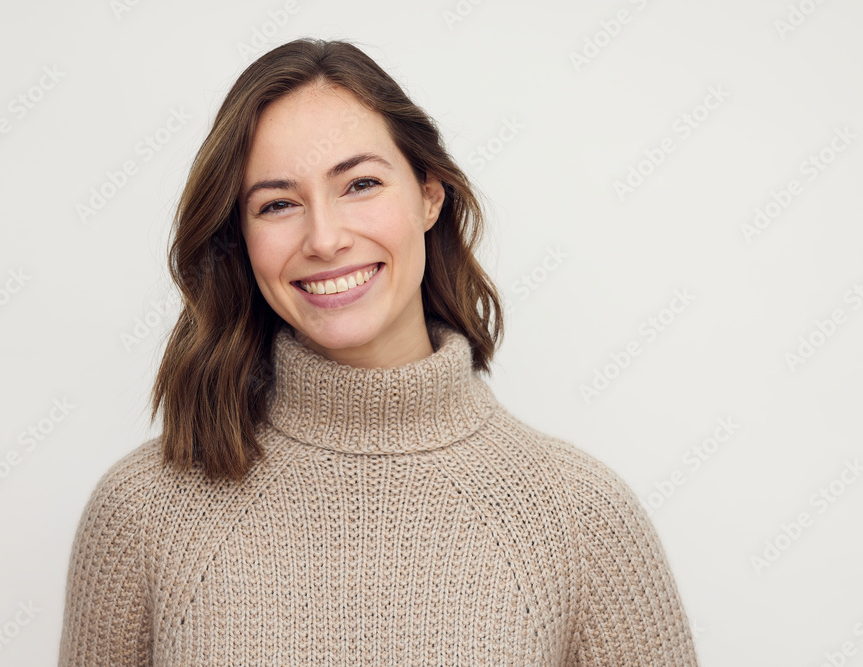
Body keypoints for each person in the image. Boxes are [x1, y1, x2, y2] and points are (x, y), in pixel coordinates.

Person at [58, 37, 699, 666]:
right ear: (240, 239)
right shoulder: (141, 513)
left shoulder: (582, 520)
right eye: (278, 204)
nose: (325, 238)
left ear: (428, 194)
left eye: (359, 184)